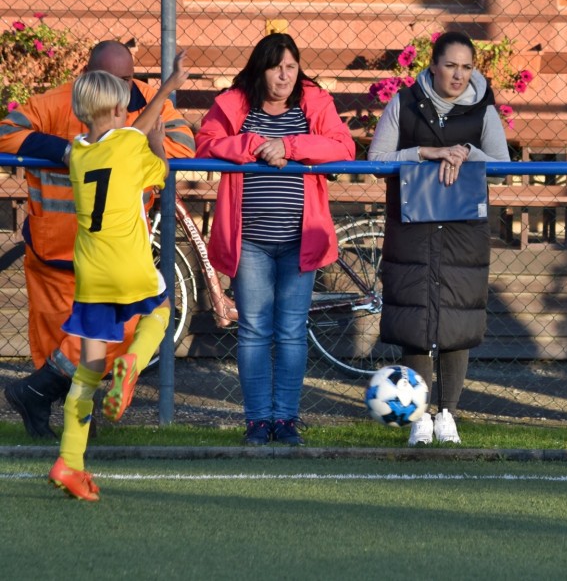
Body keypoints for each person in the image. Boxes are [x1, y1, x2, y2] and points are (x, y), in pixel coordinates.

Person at [1, 40, 195, 440]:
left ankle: (40, 400)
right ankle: (59, 424)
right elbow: (5, 134)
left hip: (106, 254)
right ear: (88, 77)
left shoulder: (142, 101)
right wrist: (64, 150)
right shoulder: (56, 103)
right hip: (55, 252)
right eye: (110, 79)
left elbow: (183, 145)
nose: (120, 88)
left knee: (98, 344)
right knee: (59, 346)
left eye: (126, 79)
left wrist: (109, 146)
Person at [195, 33, 355, 446]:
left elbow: (343, 147)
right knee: (253, 330)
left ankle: (285, 419)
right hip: (249, 240)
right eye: (275, 67)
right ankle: (257, 421)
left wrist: (288, 145)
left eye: (291, 67)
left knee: (291, 331)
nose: (284, 76)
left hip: (300, 239)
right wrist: (254, 146)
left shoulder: (313, 102)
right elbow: (205, 144)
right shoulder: (234, 103)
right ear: (259, 69)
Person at [368, 31, 511, 446]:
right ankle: (418, 416)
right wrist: (423, 153)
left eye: (466, 67)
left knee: (456, 319)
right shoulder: (404, 102)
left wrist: (467, 152)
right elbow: (376, 161)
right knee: (416, 322)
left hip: (463, 230)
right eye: (450, 65)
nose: (458, 75)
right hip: (412, 227)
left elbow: (502, 167)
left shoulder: (484, 110)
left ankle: (447, 413)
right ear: (432, 66)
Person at [49, 66, 186, 500]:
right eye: (124, 108)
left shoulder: (76, 153)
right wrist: (159, 138)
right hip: (128, 264)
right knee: (161, 309)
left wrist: (157, 100)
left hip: (91, 275)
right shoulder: (131, 144)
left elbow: (124, 133)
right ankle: (133, 363)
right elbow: (160, 170)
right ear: (114, 111)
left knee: (88, 370)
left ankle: (69, 461)